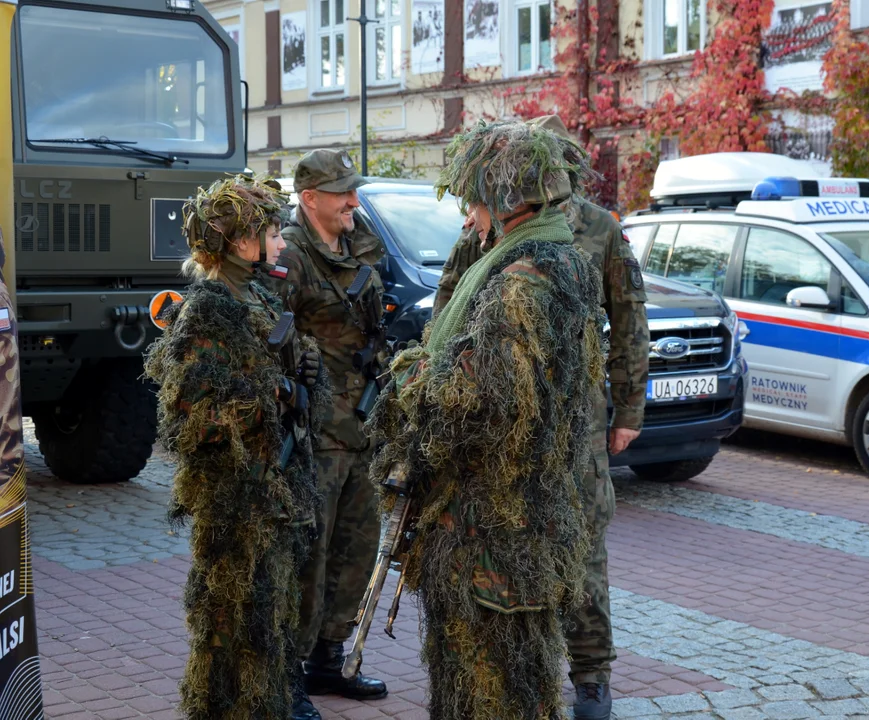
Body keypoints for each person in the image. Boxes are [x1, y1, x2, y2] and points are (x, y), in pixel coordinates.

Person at [367, 119, 607, 719]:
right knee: (515, 685)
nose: (468, 216)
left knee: (487, 691)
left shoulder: (520, 283)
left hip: (490, 531)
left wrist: (409, 377)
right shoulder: (564, 261)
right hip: (525, 518)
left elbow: (477, 401)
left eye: (473, 199)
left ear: (505, 200)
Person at [433, 115, 650, 720]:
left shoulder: (599, 231)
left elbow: (629, 322)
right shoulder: (486, 234)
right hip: (516, 426)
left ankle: (590, 676)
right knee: (521, 539)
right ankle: (524, 671)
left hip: (578, 418)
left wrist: (629, 408)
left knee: (584, 544)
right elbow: (448, 311)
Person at [144, 175, 331, 719]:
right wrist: (275, 393)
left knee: (269, 626)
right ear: (241, 240)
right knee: (233, 636)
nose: (280, 244)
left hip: (274, 496)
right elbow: (190, 419)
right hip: (238, 504)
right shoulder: (209, 308)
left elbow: (281, 371)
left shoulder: (254, 295)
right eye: (272, 233)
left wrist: (303, 372)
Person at [264, 149, 387, 717]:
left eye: (353, 191)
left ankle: (327, 659)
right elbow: (273, 340)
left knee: (357, 546)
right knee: (309, 553)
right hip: (316, 429)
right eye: (342, 193)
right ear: (309, 198)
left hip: (361, 421)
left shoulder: (357, 241)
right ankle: (288, 673)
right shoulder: (290, 253)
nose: (353, 203)